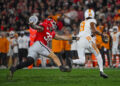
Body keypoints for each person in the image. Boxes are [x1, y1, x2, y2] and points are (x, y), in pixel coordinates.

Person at [8, 18, 74, 79]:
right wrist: (32, 25)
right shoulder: (44, 27)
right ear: (49, 23)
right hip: (39, 44)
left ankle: (14, 68)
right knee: (54, 56)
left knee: (29, 62)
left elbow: (62, 37)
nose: (54, 25)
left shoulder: (52, 33)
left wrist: (73, 38)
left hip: (34, 47)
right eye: (53, 23)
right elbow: (37, 27)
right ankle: (61, 67)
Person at [72, 9, 108, 78]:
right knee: (98, 55)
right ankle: (101, 71)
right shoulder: (92, 20)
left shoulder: (82, 22)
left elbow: (86, 31)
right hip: (87, 39)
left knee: (82, 60)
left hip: (79, 40)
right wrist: (101, 34)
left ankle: (71, 61)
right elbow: (94, 29)